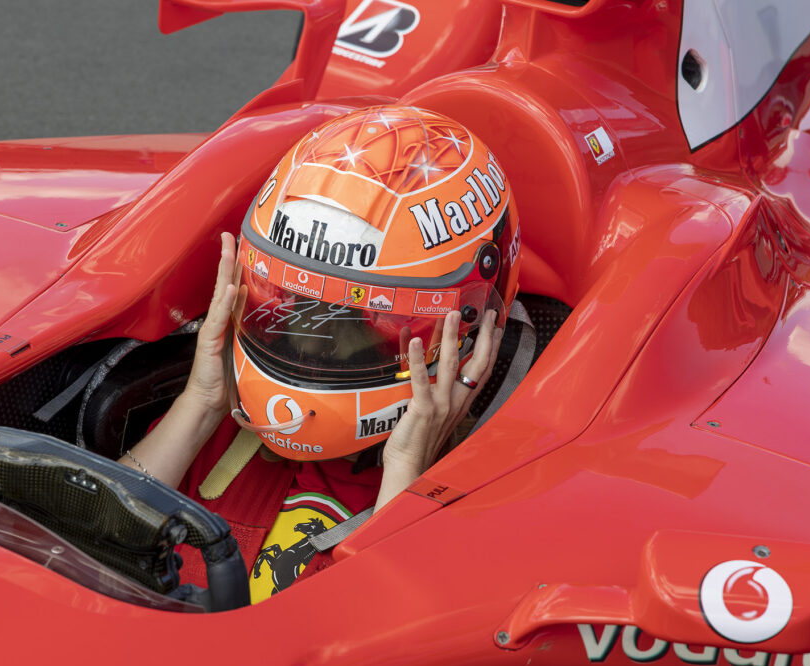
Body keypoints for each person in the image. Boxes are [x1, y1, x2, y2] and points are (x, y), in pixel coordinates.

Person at [119, 106, 521, 602]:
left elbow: (380, 644)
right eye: (286, 307)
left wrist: (405, 469)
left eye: (362, 323)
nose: (307, 347)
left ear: (469, 326)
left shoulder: (493, 484)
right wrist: (200, 401)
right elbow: (92, 538)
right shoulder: (215, 423)